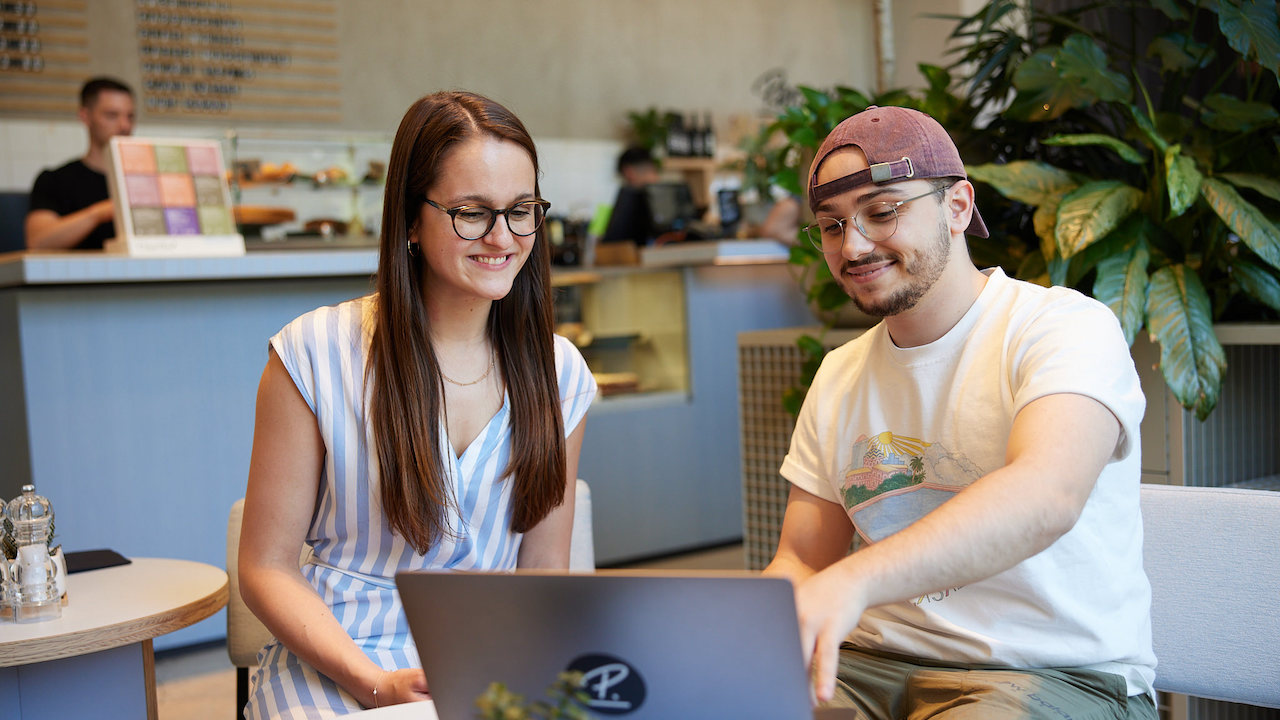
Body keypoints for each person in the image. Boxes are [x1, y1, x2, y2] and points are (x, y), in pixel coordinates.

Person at [763, 105, 1156, 719]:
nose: (854, 244)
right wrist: (727, 640)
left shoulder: (1062, 328)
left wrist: (855, 579)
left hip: (1049, 674)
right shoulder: (840, 372)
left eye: (882, 211)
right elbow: (802, 560)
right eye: (832, 226)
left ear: (957, 205)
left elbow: (1044, 496)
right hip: (866, 663)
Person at [238, 91, 597, 719]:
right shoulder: (313, 352)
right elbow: (266, 568)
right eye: (471, 213)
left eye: (521, 211)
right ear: (410, 217)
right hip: (337, 654)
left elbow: (544, 571)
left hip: (490, 657)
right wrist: (374, 683)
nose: (503, 237)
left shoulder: (560, 371)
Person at [25, 76, 135, 250]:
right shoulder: (55, 180)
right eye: (112, 115)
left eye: (130, 116)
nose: (124, 125)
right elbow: (38, 241)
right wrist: (101, 212)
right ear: (85, 116)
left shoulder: (145, 179)